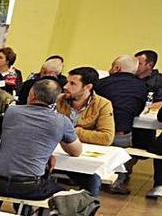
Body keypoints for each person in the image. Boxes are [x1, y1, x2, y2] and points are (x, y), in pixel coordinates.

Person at [0, 81, 83, 216]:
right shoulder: (61, 121)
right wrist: (51, 146)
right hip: (29, 187)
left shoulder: (12, 112)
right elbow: (76, 151)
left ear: (31, 95)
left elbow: (22, 137)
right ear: (56, 100)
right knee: (68, 195)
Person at [54, 66, 114, 197]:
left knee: (93, 180)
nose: (66, 86)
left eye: (73, 83)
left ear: (88, 87)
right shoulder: (58, 100)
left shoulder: (103, 104)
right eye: (67, 81)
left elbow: (106, 137)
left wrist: (71, 132)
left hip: (82, 156)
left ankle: (84, 211)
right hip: (55, 153)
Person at [98, 54, 151, 195]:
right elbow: (138, 110)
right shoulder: (142, 87)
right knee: (126, 151)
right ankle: (119, 180)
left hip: (100, 134)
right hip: (122, 134)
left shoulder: (102, 84)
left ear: (116, 68)